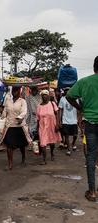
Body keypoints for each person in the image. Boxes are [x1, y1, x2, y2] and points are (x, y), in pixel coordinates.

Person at [66, 56, 98, 202]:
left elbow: (69, 96)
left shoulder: (85, 82)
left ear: (94, 67)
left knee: (91, 156)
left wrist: (80, 108)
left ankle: (92, 192)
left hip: (90, 124)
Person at [0, 86, 31, 169]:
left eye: (16, 91)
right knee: (9, 145)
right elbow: (5, 111)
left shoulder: (22, 101)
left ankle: (23, 158)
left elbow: (24, 111)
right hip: (10, 125)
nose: (14, 92)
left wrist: (20, 117)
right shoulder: (8, 101)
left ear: (19, 91)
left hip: (19, 126)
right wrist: (1, 118)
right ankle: (10, 164)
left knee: (21, 145)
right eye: (13, 91)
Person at [37, 90, 61, 164]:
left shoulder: (52, 104)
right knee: (43, 143)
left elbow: (57, 114)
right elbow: (38, 118)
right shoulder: (39, 106)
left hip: (51, 125)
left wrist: (57, 124)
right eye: (43, 95)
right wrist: (37, 128)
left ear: (48, 96)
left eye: (46, 95)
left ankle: (52, 153)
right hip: (42, 126)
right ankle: (44, 160)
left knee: (51, 142)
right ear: (41, 96)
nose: (44, 96)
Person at [58, 87, 78, 156]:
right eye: (66, 90)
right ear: (64, 92)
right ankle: (69, 149)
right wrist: (59, 121)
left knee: (75, 135)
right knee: (66, 135)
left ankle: (73, 143)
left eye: (69, 90)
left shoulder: (76, 99)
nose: (67, 92)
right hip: (65, 120)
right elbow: (60, 110)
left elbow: (78, 109)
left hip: (74, 120)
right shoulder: (62, 99)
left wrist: (79, 119)